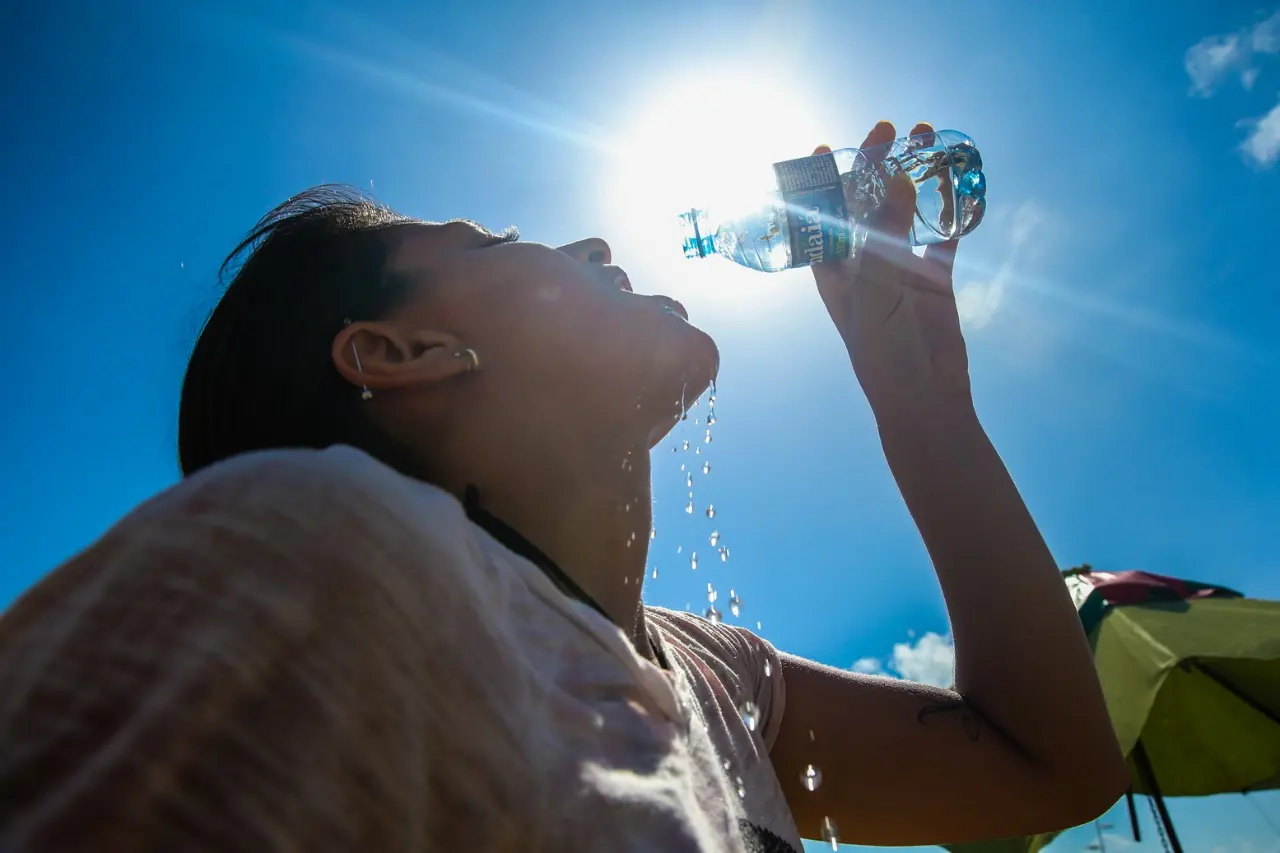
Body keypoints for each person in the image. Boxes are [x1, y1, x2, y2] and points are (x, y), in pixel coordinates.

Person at [0, 121, 1128, 852]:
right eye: (492, 241)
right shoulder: (319, 553)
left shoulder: (710, 673)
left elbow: (1046, 768)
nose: (590, 238)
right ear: (404, 355)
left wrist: (921, 404)